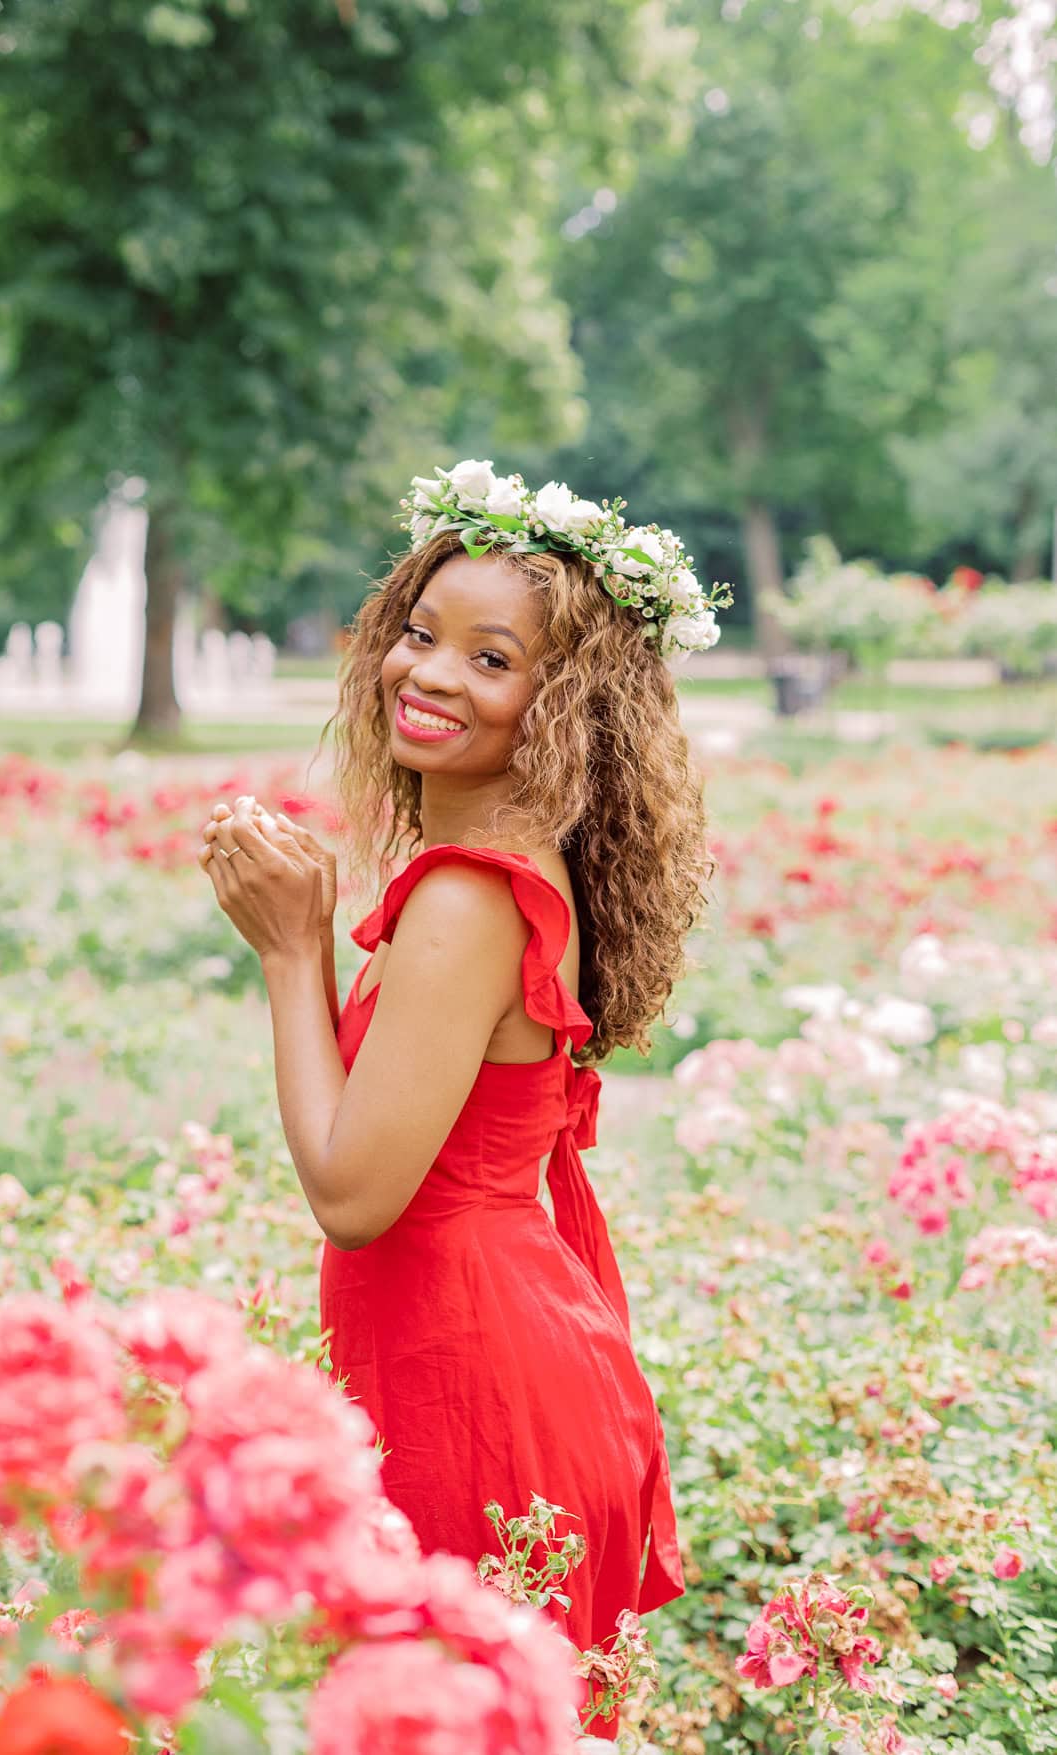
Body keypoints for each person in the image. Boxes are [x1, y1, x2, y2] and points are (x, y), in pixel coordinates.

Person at [199, 462, 728, 1733]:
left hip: (474, 1387)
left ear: (562, 706)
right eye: (422, 635)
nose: (430, 675)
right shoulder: (496, 867)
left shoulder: (464, 899)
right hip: (489, 1351)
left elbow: (354, 1194)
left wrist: (288, 953)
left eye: (494, 659)